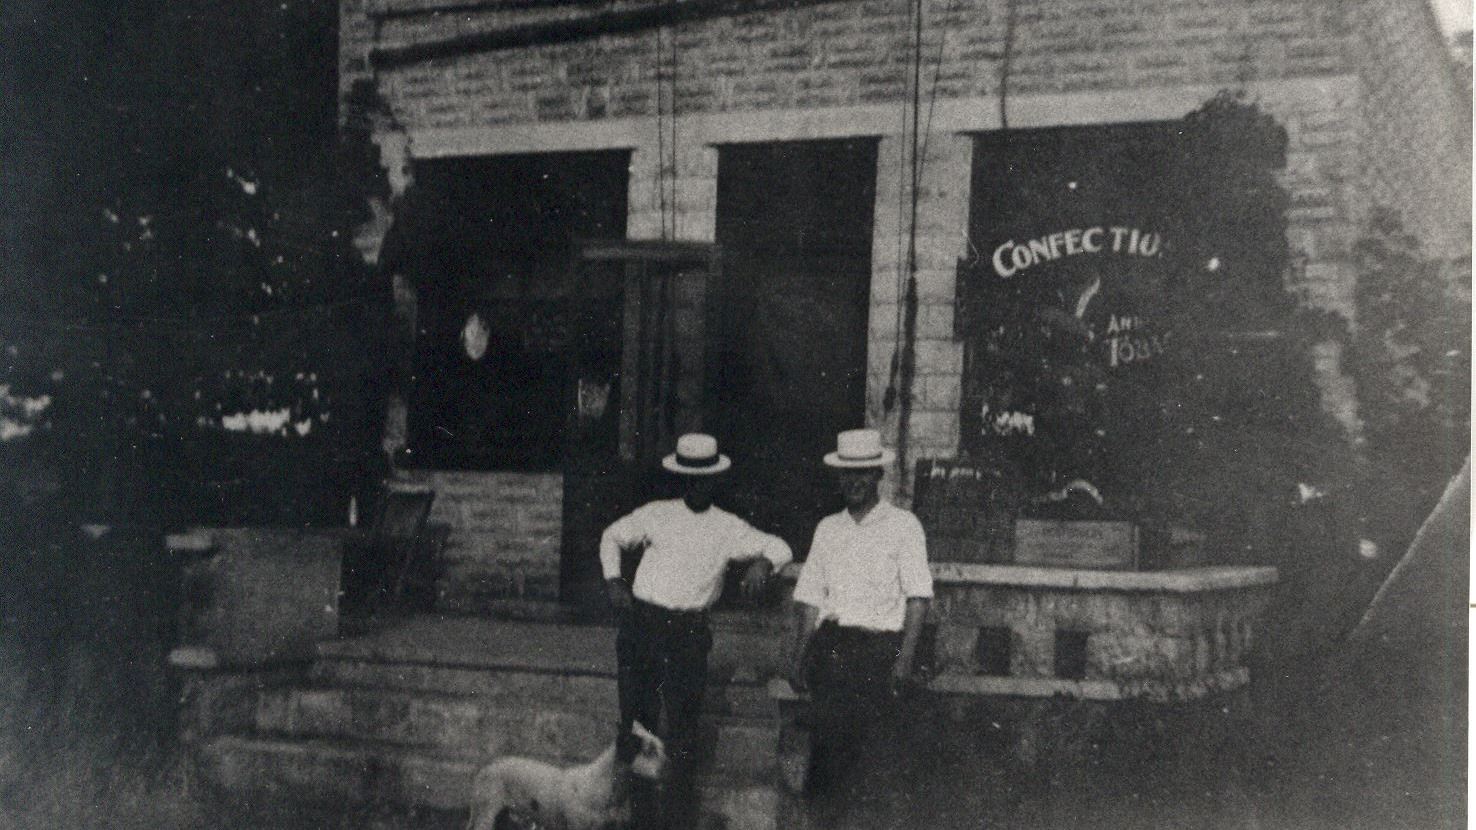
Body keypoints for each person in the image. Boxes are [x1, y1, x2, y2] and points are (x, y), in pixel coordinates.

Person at [599, 433, 792, 828]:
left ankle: (678, 821)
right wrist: (614, 580)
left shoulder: (728, 526)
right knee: (637, 727)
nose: (696, 485)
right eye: (689, 478)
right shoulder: (656, 514)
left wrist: (762, 564)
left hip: (688, 634)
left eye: (703, 479)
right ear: (680, 478)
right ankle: (641, 821)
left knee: (683, 732)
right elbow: (611, 536)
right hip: (643, 627)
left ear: (715, 479)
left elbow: (780, 546)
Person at [789, 428, 933, 802]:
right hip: (832, 650)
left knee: (873, 764)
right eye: (847, 473)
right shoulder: (827, 528)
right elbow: (810, 598)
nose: (854, 482)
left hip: (879, 653)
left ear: (878, 475)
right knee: (826, 761)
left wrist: (904, 659)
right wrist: (799, 656)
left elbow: (918, 598)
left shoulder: (904, 526)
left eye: (863, 473)